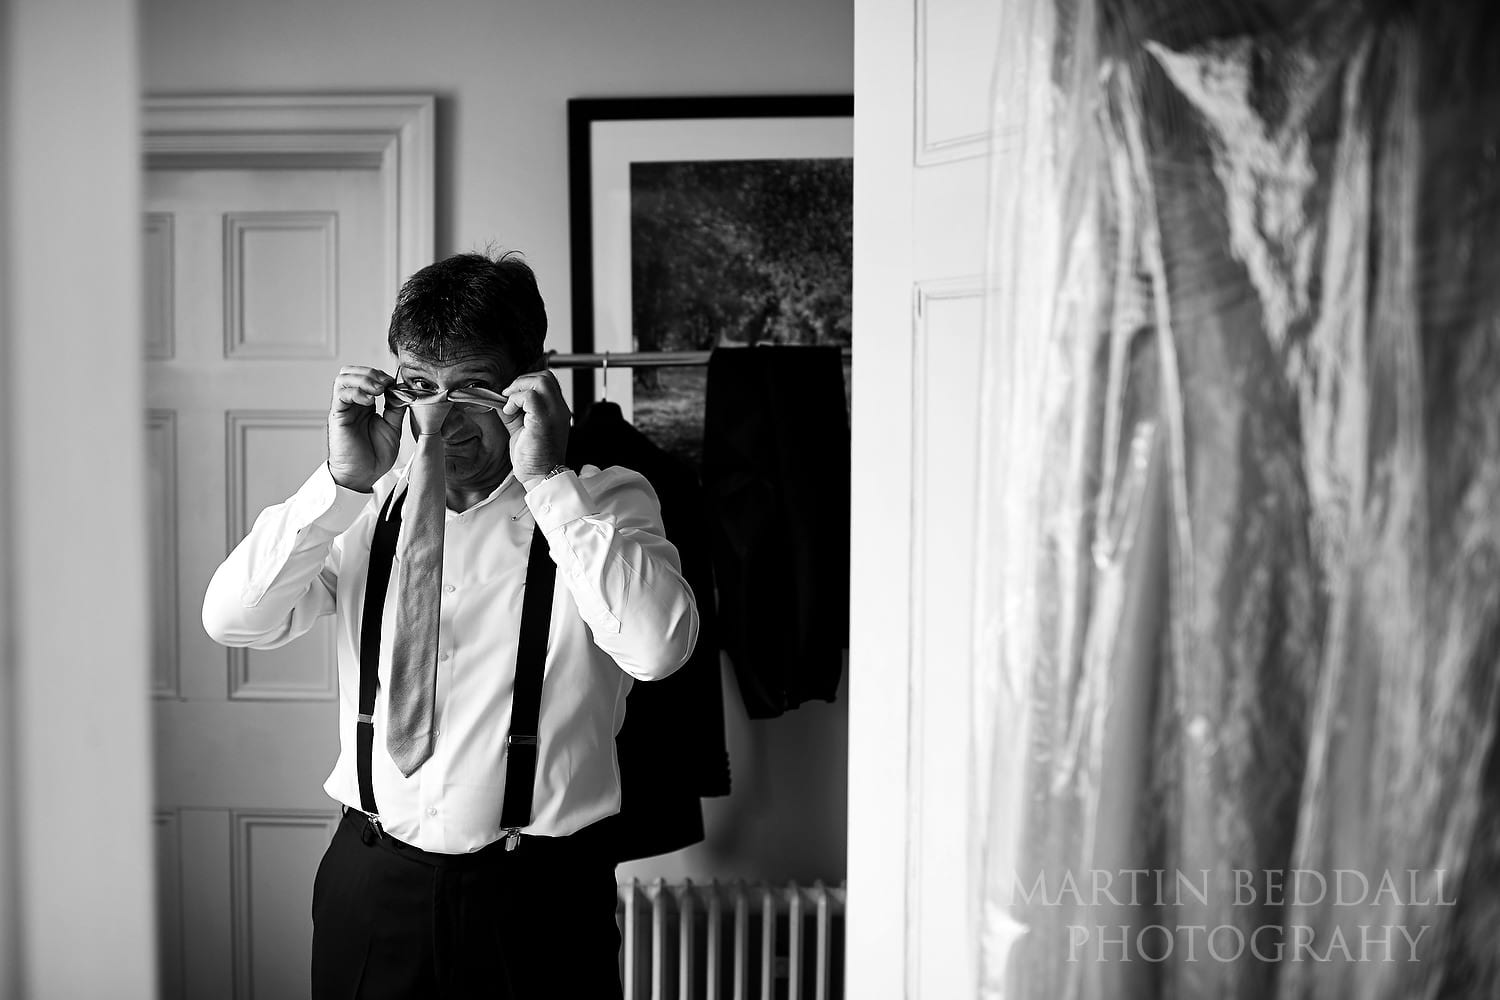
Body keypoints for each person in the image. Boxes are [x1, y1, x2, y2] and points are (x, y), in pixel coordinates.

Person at [202, 251, 699, 999]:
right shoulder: (365, 505)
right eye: (420, 387)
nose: (441, 417)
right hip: (370, 883)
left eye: (471, 388)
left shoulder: (605, 504)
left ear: (530, 381)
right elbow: (234, 619)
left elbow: (659, 649)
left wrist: (547, 485)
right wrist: (337, 485)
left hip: (538, 902)